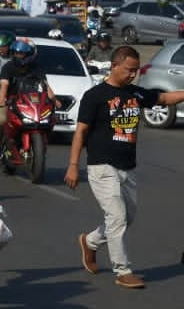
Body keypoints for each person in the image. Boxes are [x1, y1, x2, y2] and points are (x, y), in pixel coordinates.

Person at [66, 46, 184, 288]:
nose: (133, 74)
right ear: (115, 66)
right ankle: (122, 270)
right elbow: (81, 132)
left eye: (136, 70)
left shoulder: (134, 93)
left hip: (127, 167)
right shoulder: (95, 96)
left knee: (126, 218)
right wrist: (73, 165)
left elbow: (163, 99)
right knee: (117, 217)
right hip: (102, 166)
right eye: (129, 70)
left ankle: (90, 242)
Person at [0, 38, 54, 164]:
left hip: (31, 102)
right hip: (11, 101)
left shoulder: (37, 67)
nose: (18, 55)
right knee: (0, 120)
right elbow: (4, 86)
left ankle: (41, 145)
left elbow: (46, 86)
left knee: (50, 120)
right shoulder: (8, 67)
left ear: (29, 54)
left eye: (21, 53)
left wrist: (54, 100)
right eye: (16, 53)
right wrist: (2, 99)